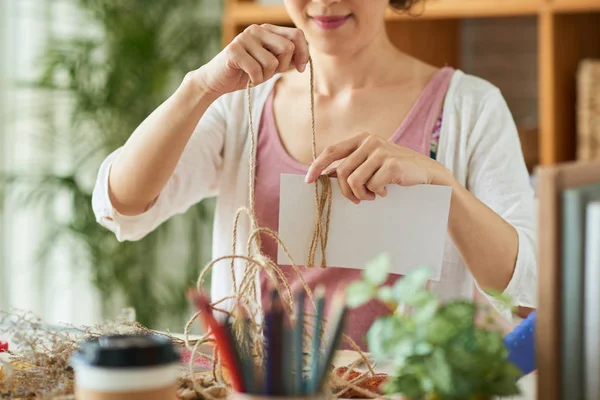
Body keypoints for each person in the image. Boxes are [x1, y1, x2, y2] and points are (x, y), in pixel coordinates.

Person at [92, 0, 537, 349]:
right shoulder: (239, 105)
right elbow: (122, 204)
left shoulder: (470, 108)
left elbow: (525, 287)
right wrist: (199, 87)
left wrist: (445, 186)